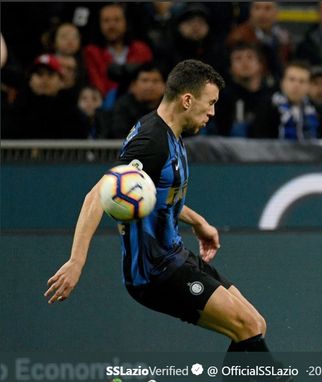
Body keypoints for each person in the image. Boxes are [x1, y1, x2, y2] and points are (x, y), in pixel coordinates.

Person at [44, 60, 282, 369]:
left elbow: (154, 196)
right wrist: (76, 261)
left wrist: (198, 222)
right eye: (209, 103)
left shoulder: (170, 133)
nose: (212, 112)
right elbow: (98, 195)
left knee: (256, 325)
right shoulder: (151, 143)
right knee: (247, 328)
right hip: (155, 272)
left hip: (175, 255)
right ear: (187, 100)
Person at [249, 61, 320, 140]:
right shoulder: (268, 107)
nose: (296, 85)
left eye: (302, 81)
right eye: (292, 80)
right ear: (283, 82)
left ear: (309, 86)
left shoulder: (315, 109)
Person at [109, 62, 166, 138]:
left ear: (164, 86)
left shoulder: (172, 107)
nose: (150, 85)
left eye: (155, 81)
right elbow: (119, 135)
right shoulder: (122, 107)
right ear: (133, 86)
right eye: (145, 80)